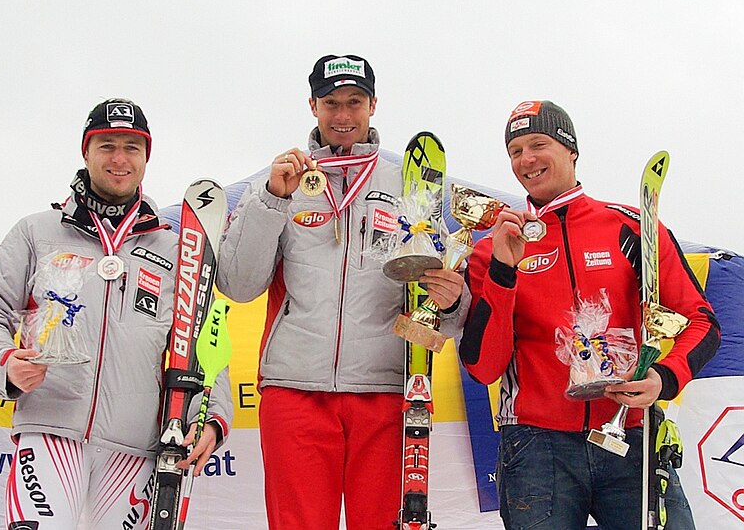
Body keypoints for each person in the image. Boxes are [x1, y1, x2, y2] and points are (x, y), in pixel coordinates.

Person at [216, 54, 469, 529]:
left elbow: (447, 315)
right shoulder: (281, 184)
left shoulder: (411, 186)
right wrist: (272, 199)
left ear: (374, 105)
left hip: (386, 390)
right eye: (331, 102)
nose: (343, 115)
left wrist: (451, 298)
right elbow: (239, 284)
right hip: (295, 390)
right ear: (312, 105)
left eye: (354, 102)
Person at [0, 98, 233, 529]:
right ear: (86, 152)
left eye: (132, 147)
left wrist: (211, 419)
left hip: (138, 446)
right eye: (107, 145)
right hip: (51, 430)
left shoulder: (176, 248)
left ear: (146, 157)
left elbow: (203, 341)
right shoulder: (37, 232)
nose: (119, 159)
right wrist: (3, 361)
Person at [459, 100, 721, 529]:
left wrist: (663, 377)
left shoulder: (630, 227)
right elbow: (483, 368)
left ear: (571, 150)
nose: (526, 160)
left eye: (537, 144)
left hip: (630, 435)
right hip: (536, 446)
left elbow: (701, 322)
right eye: (515, 151)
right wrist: (505, 272)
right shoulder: (493, 247)